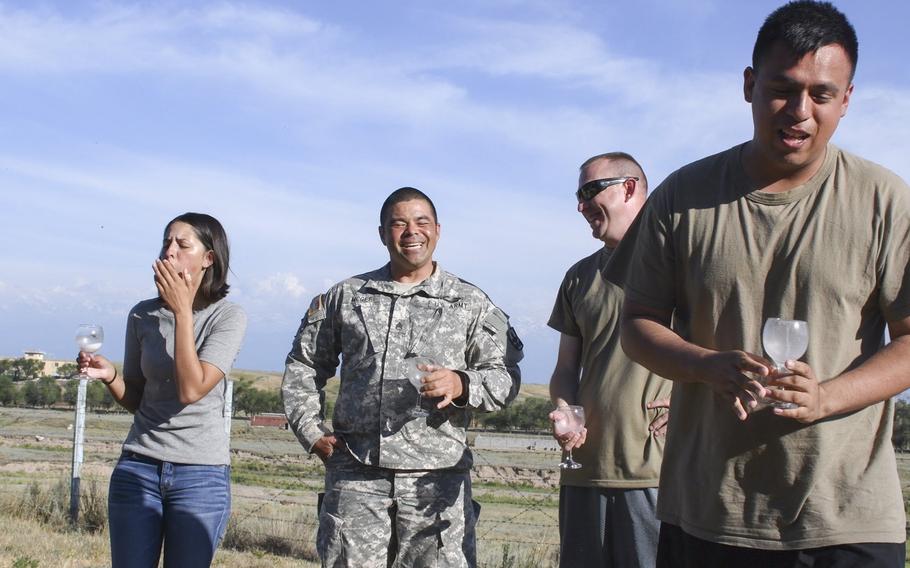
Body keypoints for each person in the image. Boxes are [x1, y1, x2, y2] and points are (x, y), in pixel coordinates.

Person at [614, 1, 910, 566]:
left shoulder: (885, 201)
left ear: (846, 100)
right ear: (749, 85)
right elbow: (637, 324)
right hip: (710, 513)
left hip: (844, 518)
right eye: (782, 88)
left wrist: (825, 397)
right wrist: (705, 364)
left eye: (822, 94)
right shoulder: (682, 198)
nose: (800, 111)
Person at [282, 187, 523, 568]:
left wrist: (462, 384)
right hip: (356, 478)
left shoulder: (470, 302)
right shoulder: (347, 296)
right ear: (382, 233)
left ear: (438, 231)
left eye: (421, 222)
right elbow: (304, 364)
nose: (411, 231)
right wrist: (312, 434)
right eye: (399, 223)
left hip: (436, 482)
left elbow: (505, 377)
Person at [78, 212, 247, 568]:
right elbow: (138, 399)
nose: (169, 252)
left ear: (209, 258)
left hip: (200, 475)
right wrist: (111, 376)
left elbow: (190, 390)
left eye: (182, 245)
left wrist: (183, 312)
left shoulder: (228, 317)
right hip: (138, 466)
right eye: (166, 243)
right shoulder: (142, 315)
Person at [548, 152, 672, 568]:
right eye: (578, 196)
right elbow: (566, 368)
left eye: (589, 192)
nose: (581, 206)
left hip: (656, 472)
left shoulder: (683, 263)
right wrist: (567, 411)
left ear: (630, 188)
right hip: (584, 470)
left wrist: (693, 400)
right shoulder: (578, 276)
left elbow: (724, 347)